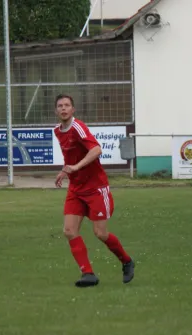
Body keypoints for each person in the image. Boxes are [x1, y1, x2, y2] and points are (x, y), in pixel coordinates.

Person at [53, 94, 135, 287]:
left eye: (67, 105)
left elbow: (97, 150)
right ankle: (88, 274)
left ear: (73, 110)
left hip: (96, 188)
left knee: (100, 233)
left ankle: (127, 261)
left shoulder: (78, 127)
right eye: (60, 106)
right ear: (56, 111)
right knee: (69, 230)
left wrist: (76, 167)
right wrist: (66, 170)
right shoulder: (58, 131)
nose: (63, 108)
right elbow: (71, 155)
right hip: (76, 188)